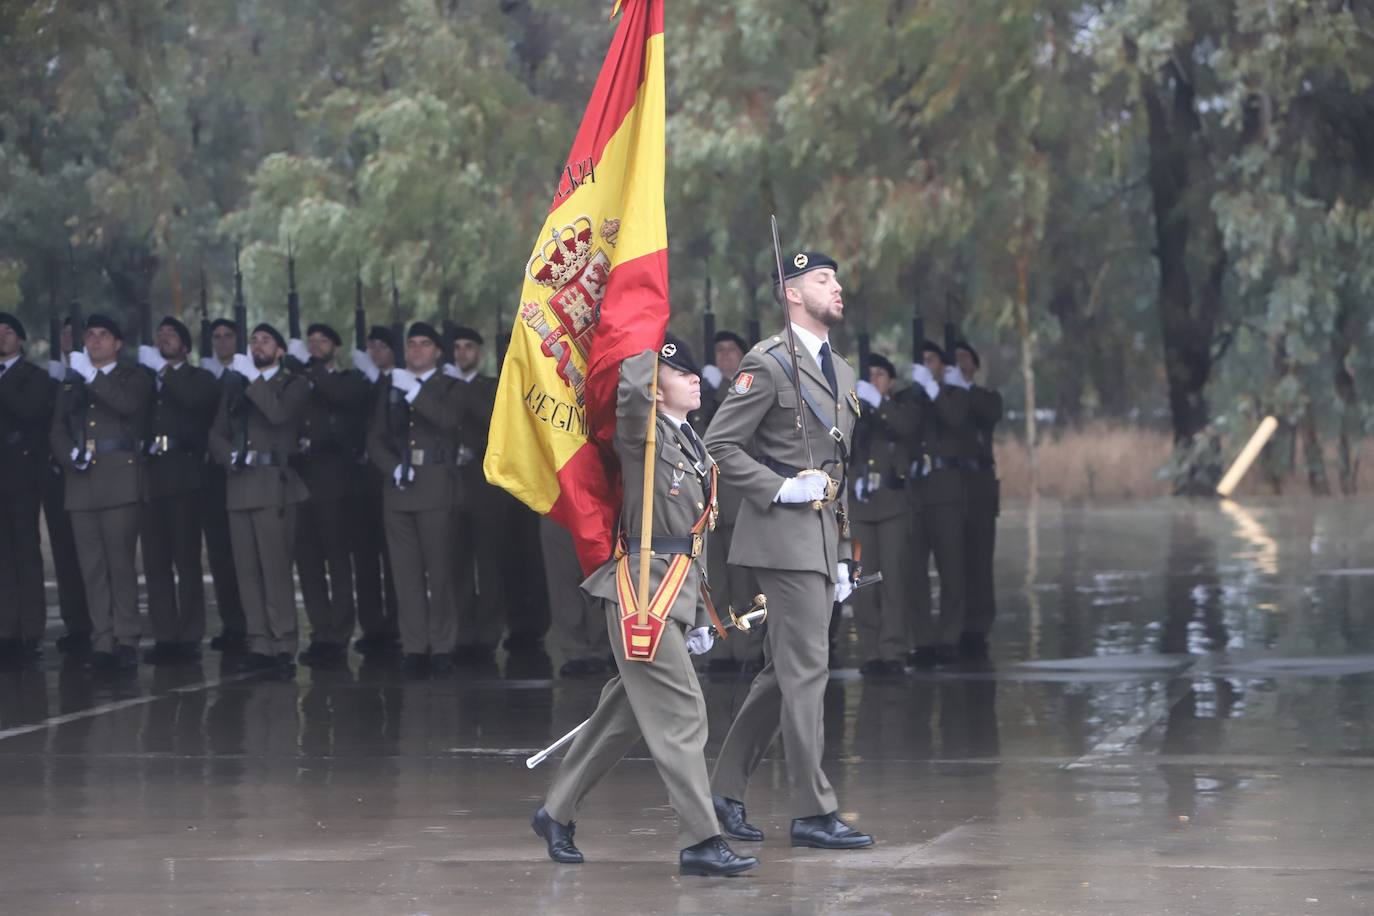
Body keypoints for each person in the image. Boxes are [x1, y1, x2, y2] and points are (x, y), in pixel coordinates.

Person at [532, 337, 758, 877]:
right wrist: (640, 337)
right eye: (680, 372)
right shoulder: (644, 435)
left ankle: (555, 810)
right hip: (642, 595)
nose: (697, 378)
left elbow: (693, 541)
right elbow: (629, 399)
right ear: (656, 389)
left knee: (625, 713)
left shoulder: (691, 444)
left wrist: (701, 616)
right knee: (683, 713)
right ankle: (700, 840)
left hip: (675, 592)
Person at [704, 250, 874, 850]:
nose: (838, 287)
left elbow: (839, 466)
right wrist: (778, 487)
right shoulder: (768, 362)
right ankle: (811, 809)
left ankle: (723, 790)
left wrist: (846, 552)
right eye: (823, 280)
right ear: (792, 293)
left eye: (837, 278)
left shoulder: (845, 373)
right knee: (809, 670)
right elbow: (720, 445)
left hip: (822, 537)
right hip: (782, 534)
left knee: (787, 670)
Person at [50, 314, 154, 671]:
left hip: (119, 479)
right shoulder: (71, 380)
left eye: (103, 335)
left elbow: (127, 405)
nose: (95, 341)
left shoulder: (133, 377)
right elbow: (58, 430)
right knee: (91, 567)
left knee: (119, 563)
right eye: (89, 335)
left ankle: (126, 637)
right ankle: (102, 639)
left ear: (118, 343)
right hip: (81, 482)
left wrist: (90, 375)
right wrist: (69, 457)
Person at [207, 323, 311, 672]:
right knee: (247, 571)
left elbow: (279, 416)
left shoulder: (293, 384)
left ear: (280, 351)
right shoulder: (235, 386)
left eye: (265, 340)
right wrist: (228, 456)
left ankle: (283, 642)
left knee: (275, 569)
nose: (257, 345)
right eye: (252, 340)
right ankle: (259, 642)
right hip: (240, 485)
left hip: (273, 484)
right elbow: (217, 433)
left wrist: (254, 379)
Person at [367, 322, 467, 677]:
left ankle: (442, 645)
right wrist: (392, 468)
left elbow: (448, 420)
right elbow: (375, 438)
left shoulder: (450, 386)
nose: (416, 351)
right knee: (405, 575)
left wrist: (414, 393)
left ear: (438, 352)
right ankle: (414, 646)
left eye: (424, 344)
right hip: (399, 490)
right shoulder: (391, 385)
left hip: (436, 487)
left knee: (439, 572)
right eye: (411, 345)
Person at [445, 325, 531, 664]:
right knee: (458, 565)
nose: (461, 354)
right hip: (452, 488)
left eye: (468, 347)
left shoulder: (490, 387)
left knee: (490, 564)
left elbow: (492, 421)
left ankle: (489, 634)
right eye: (456, 348)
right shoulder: (442, 387)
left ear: (478, 354)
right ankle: (464, 632)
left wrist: (463, 389)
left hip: (485, 489)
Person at [138, 316, 220, 664]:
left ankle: (189, 635)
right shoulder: (145, 380)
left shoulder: (198, 378)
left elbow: (193, 404)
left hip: (184, 475)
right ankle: (165, 636)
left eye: (171, 334)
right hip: (152, 476)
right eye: (160, 334)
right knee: (155, 563)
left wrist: (163, 373)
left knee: (186, 561)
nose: (164, 338)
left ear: (185, 346)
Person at [293, 322, 371, 668]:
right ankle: (320, 631)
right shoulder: (299, 380)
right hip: (302, 479)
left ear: (334, 349)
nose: (315, 345)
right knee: (308, 564)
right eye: (310, 341)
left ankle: (339, 634)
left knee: (337, 561)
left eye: (322, 341)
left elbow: (341, 398)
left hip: (334, 481)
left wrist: (312, 374)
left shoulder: (345, 379)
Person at [848, 352, 918, 676]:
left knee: (894, 581)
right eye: (870, 375)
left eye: (880, 375)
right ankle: (870, 653)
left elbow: (906, 428)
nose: (874, 380)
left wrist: (879, 403)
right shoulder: (854, 410)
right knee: (863, 584)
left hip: (892, 505)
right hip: (861, 508)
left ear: (890, 381)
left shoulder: (901, 409)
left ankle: (893, 651)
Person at [694, 329, 759, 673]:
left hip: (740, 499)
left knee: (744, 581)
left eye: (731, 350)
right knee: (714, 580)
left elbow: (733, 431)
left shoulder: (745, 387)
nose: (724, 357)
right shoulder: (705, 392)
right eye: (718, 351)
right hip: (711, 502)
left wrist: (718, 387)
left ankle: (748, 649)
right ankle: (720, 649)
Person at [907, 340, 974, 668]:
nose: (925, 365)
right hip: (916, 493)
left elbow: (956, 420)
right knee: (914, 573)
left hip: (946, 492)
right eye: (921, 361)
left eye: (930, 360)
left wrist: (934, 389)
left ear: (941, 366)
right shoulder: (912, 396)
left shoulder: (954, 395)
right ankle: (922, 639)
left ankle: (949, 637)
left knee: (952, 570)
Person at [0, 313, 57, 665]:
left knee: (25, 551)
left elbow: (29, 410)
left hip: (22, 475)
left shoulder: (35, 377)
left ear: (20, 339)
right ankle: (6, 628)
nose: (1, 338)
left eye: (7, 333)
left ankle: (30, 629)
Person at [350, 325, 401, 657]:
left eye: (383, 346)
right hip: (361, 481)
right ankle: (372, 626)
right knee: (365, 558)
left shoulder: (401, 383)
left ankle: (396, 624)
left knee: (394, 558)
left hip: (394, 478)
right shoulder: (361, 382)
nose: (376, 352)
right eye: (372, 346)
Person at [45, 318, 92, 655]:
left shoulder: (92, 372)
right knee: (64, 554)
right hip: (55, 474)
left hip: (90, 472)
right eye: (64, 332)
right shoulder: (49, 375)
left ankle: (99, 624)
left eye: (73, 332)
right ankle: (76, 623)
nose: (67, 338)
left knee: (92, 553)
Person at [954, 340, 1002, 660]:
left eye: (964, 358)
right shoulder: (944, 397)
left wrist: (964, 390)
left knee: (980, 561)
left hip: (981, 485)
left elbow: (988, 415)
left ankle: (979, 626)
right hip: (951, 485)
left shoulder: (985, 397)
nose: (959, 363)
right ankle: (955, 625)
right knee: (954, 561)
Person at [202, 318, 247, 652]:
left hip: (242, 472)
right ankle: (232, 622)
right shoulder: (204, 377)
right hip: (212, 475)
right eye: (215, 337)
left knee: (244, 553)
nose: (221, 342)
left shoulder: (248, 373)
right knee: (219, 554)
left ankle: (251, 622)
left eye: (228, 336)